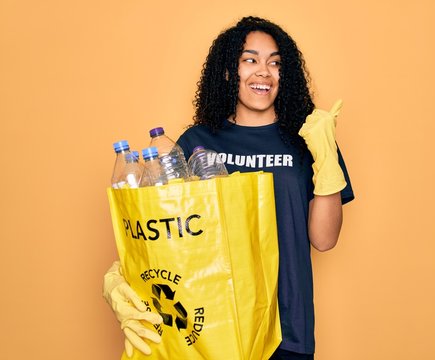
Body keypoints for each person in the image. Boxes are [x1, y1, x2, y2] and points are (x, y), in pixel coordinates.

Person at [103, 16, 354, 359]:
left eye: (275, 62)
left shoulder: (309, 139)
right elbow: (168, 236)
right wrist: (118, 276)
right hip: (211, 327)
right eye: (250, 60)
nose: (264, 71)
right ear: (227, 71)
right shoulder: (196, 142)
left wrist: (325, 157)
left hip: (286, 327)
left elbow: (324, 240)